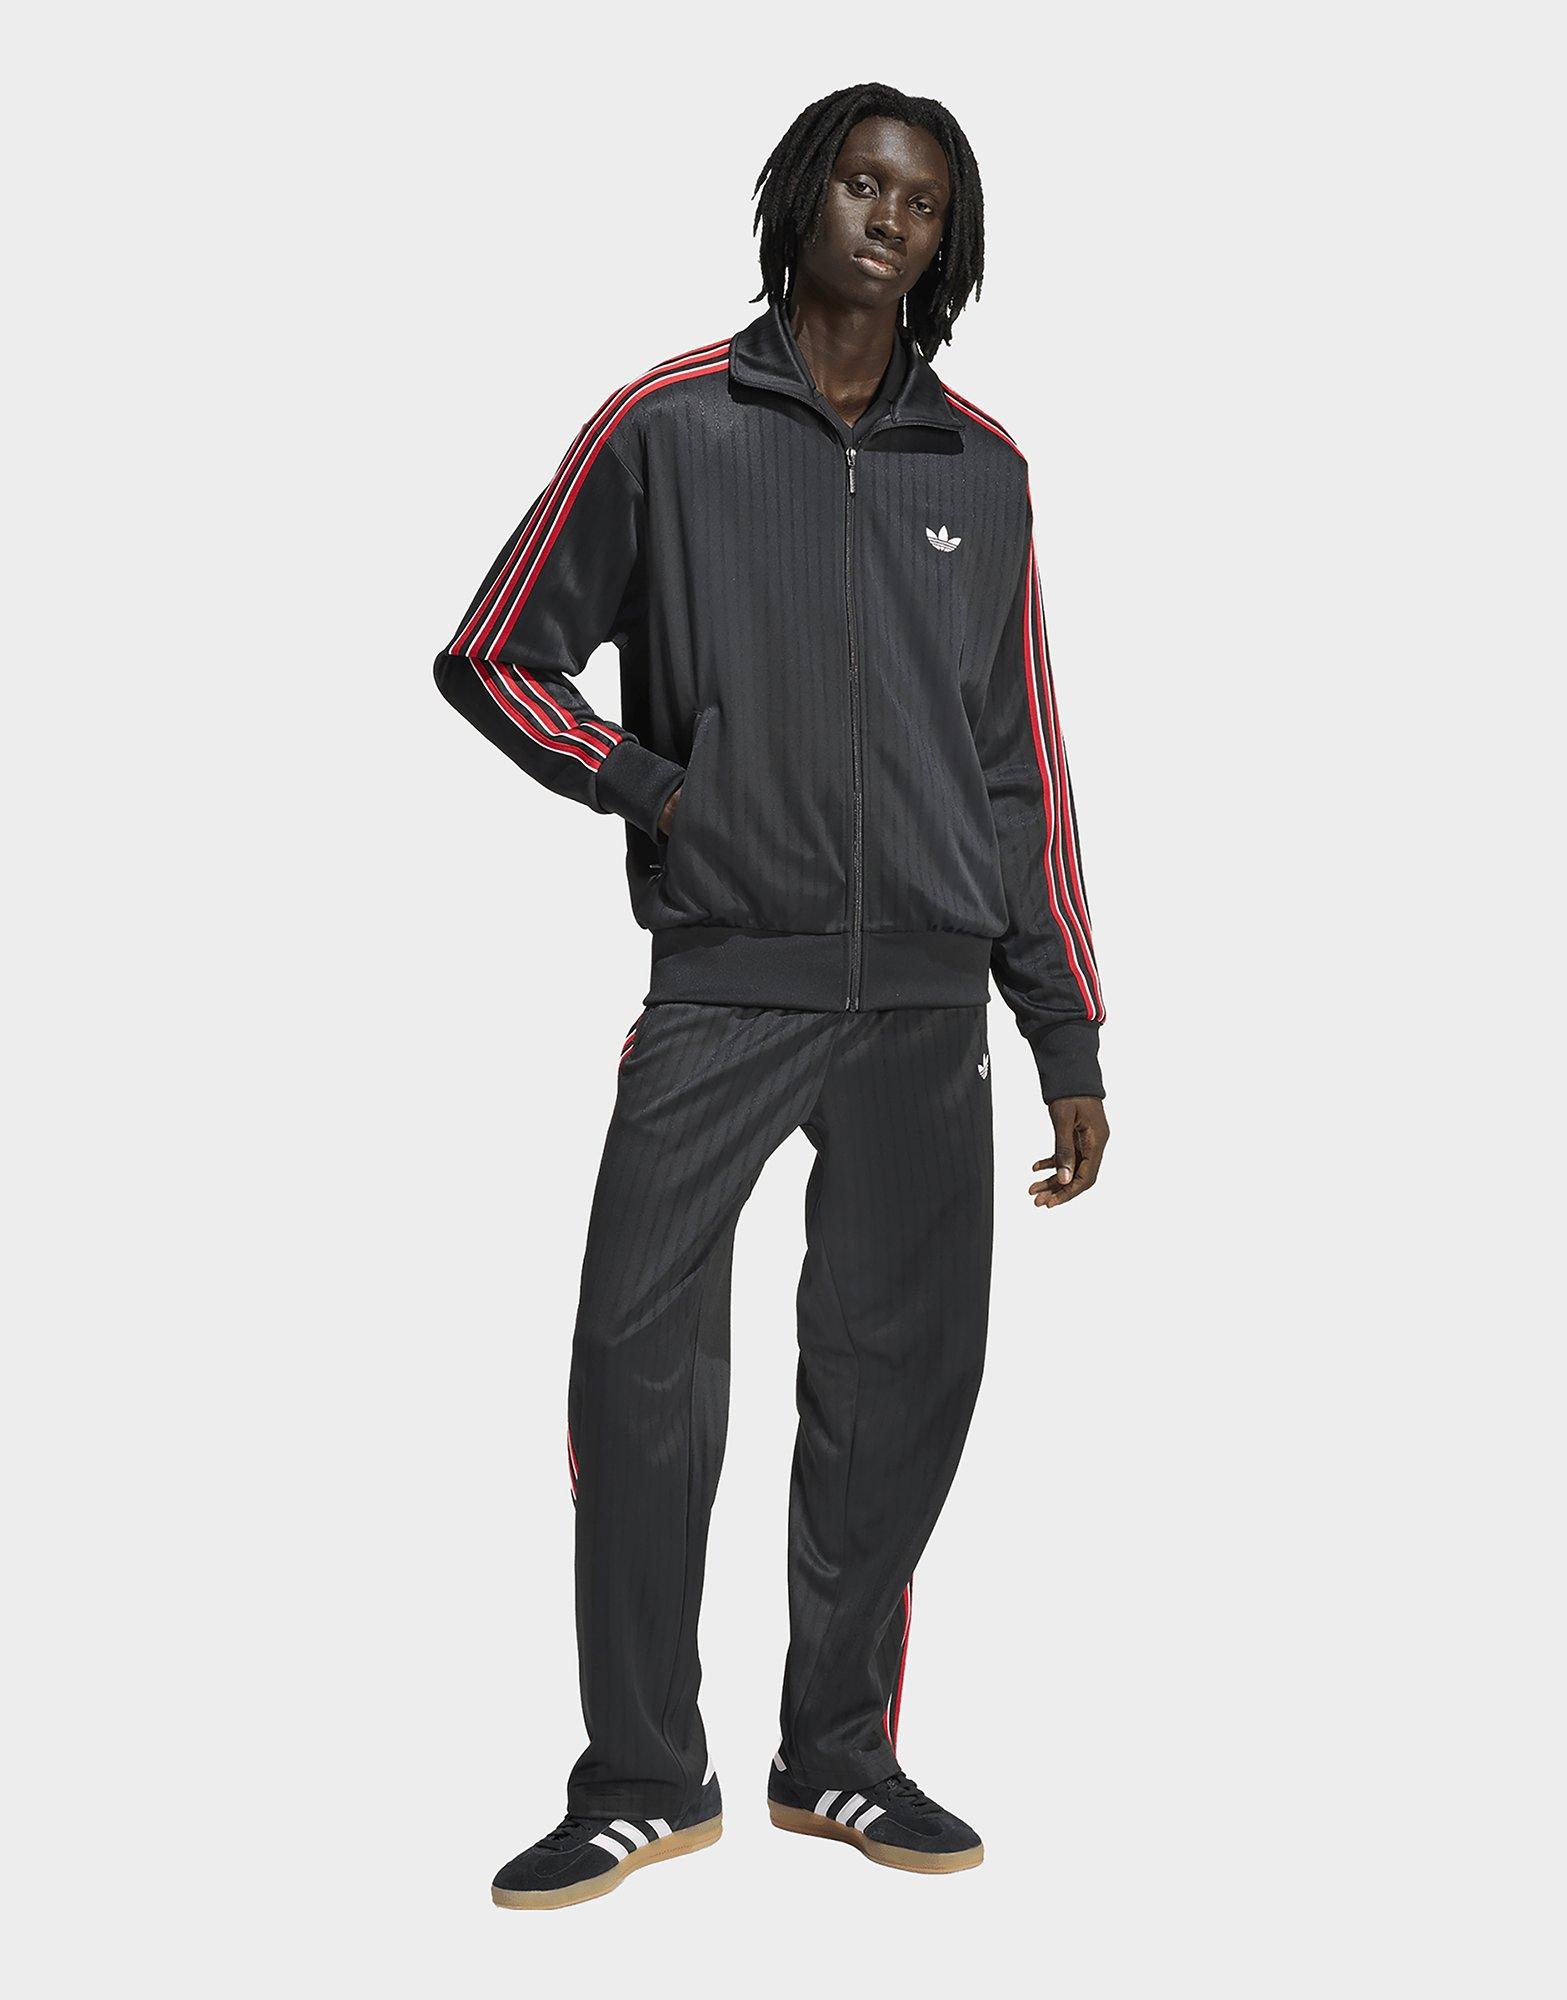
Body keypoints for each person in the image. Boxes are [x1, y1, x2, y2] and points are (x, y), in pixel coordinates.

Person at [433, 80, 1109, 1911]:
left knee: (901, 1381)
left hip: (929, 1011)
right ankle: (645, 1773)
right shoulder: (668, 425)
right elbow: (495, 654)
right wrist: (658, 789)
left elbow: (1017, 770)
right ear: (804, 196)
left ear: (948, 243)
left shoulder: (983, 471)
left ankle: (839, 1759)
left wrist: (1062, 1027)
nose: (891, 218)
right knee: (636, 1362)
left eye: (925, 201)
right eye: (864, 184)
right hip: (729, 981)